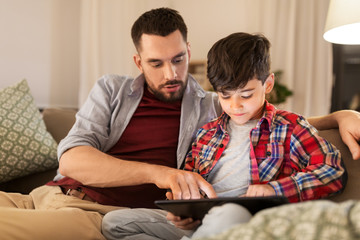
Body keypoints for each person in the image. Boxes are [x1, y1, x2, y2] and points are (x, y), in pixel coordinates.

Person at [0, 7, 359, 240]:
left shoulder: (206, 107)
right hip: (45, 194)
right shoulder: (114, 90)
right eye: (156, 63)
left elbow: (268, 123)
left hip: (87, 212)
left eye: (178, 59)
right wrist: (166, 179)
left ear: (188, 51)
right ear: (138, 62)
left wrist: (341, 114)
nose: (171, 73)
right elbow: (71, 160)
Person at [101, 32, 347, 240]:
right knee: (115, 222)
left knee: (230, 213)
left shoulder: (290, 127)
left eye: (246, 95)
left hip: (244, 219)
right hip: (201, 221)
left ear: (268, 84)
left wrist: (277, 189)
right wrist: (184, 210)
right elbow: (189, 183)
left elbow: (333, 171)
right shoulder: (206, 133)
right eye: (225, 95)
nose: (235, 105)